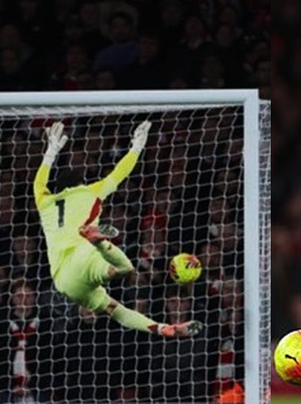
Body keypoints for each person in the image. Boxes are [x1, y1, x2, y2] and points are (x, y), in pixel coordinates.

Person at [34, 120, 202, 338]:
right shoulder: (88, 192)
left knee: (124, 269)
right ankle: (99, 242)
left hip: (65, 275)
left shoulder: (45, 203)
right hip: (74, 272)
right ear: (80, 184)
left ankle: (100, 242)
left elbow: (38, 185)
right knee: (123, 277)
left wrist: (51, 152)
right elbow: (119, 173)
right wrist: (136, 147)